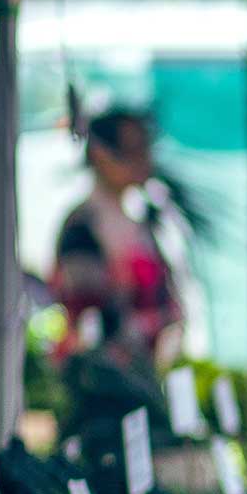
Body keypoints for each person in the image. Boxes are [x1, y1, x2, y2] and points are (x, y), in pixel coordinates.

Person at [51, 110, 205, 373]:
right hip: (109, 384)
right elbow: (88, 318)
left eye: (145, 148)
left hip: (149, 374)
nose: (144, 159)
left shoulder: (147, 217)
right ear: (100, 155)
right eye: (133, 150)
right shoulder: (83, 226)